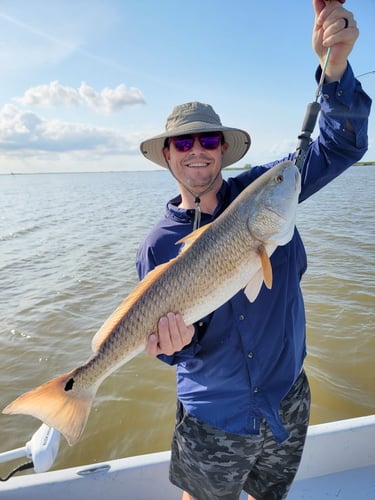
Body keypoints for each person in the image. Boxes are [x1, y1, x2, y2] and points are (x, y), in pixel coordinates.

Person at [136, 1, 371, 499]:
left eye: (207, 139)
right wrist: (173, 346)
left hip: (286, 396)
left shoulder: (268, 191)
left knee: (270, 495)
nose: (196, 149)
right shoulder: (158, 244)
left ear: (223, 148)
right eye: (182, 143)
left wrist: (335, 70)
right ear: (167, 156)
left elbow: (340, 146)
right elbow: (169, 348)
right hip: (214, 414)